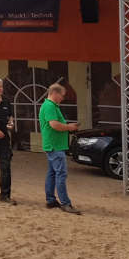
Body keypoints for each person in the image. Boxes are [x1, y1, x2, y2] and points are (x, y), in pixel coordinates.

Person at [38, 83, 80, 214]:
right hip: (55, 145)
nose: (63, 98)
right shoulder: (50, 106)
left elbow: (54, 124)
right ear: (55, 93)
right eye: (62, 95)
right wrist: (69, 127)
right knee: (61, 173)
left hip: (53, 144)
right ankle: (65, 203)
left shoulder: (49, 105)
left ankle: (51, 200)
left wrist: (67, 127)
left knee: (52, 173)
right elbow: (54, 124)